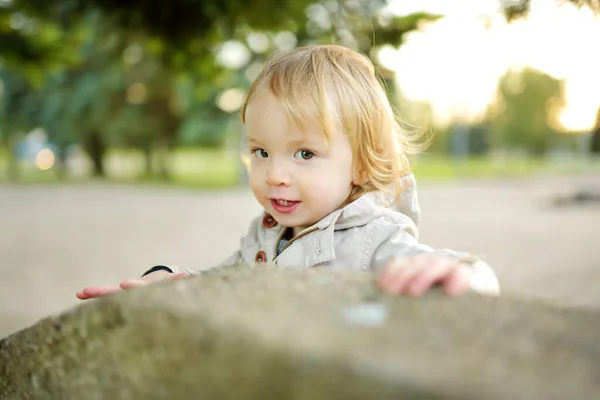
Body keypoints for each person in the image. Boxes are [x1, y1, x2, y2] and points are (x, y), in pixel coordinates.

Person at [76, 45, 499, 301]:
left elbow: (471, 277)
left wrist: (465, 274)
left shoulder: (375, 239)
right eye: (261, 151)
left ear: (363, 164)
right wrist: (174, 281)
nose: (274, 174)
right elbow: (226, 281)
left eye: (305, 154)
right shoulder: (267, 230)